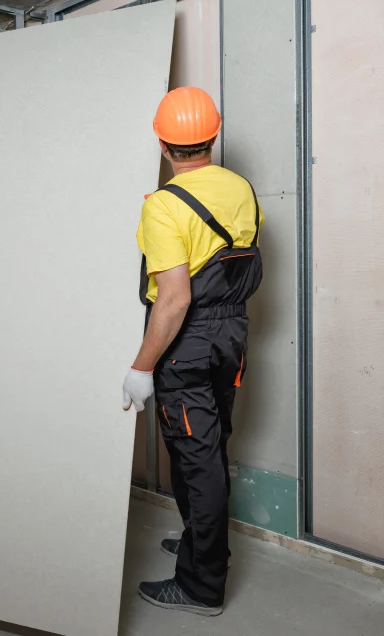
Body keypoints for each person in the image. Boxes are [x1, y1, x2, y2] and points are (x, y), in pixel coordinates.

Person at [123, 86, 264, 616]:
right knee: (206, 450)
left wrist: (141, 366)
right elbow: (228, 249)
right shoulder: (242, 188)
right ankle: (198, 543)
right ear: (213, 135)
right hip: (233, 336)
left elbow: (175, 299)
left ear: (163, 143)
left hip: (187, 343)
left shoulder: (163, 207)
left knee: (197, 461)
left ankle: (202, 586)